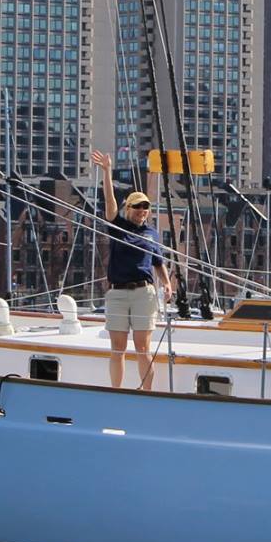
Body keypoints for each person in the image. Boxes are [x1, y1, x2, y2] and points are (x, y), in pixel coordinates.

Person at [91, 149, 172, 391]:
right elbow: (109, 203)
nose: (142, 211)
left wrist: (167, 283)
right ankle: (116, 391)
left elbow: (158, 262)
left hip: (143, 292)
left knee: (143, 348)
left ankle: (147, 393)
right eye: (138, 207)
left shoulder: (151, 233)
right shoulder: (118, 227)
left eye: (145, 207)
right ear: (129, 208)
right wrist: (106, 171)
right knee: (117, 348)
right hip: (117, 292)